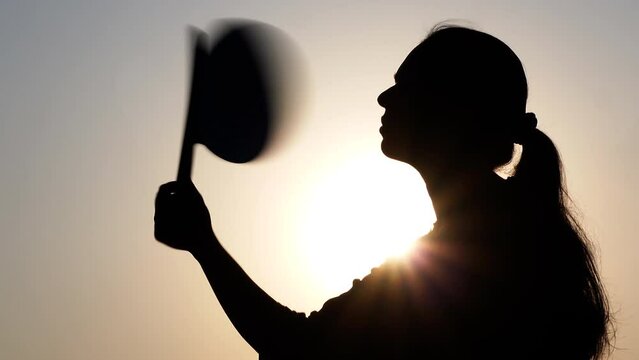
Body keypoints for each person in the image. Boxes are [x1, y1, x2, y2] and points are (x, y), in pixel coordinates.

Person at [154, 25, 614, 359]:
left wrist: (204, 245)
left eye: (404, 87)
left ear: (450, 108)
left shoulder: (477, 254)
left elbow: (300, 348)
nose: (384, 99)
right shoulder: (508, 232)